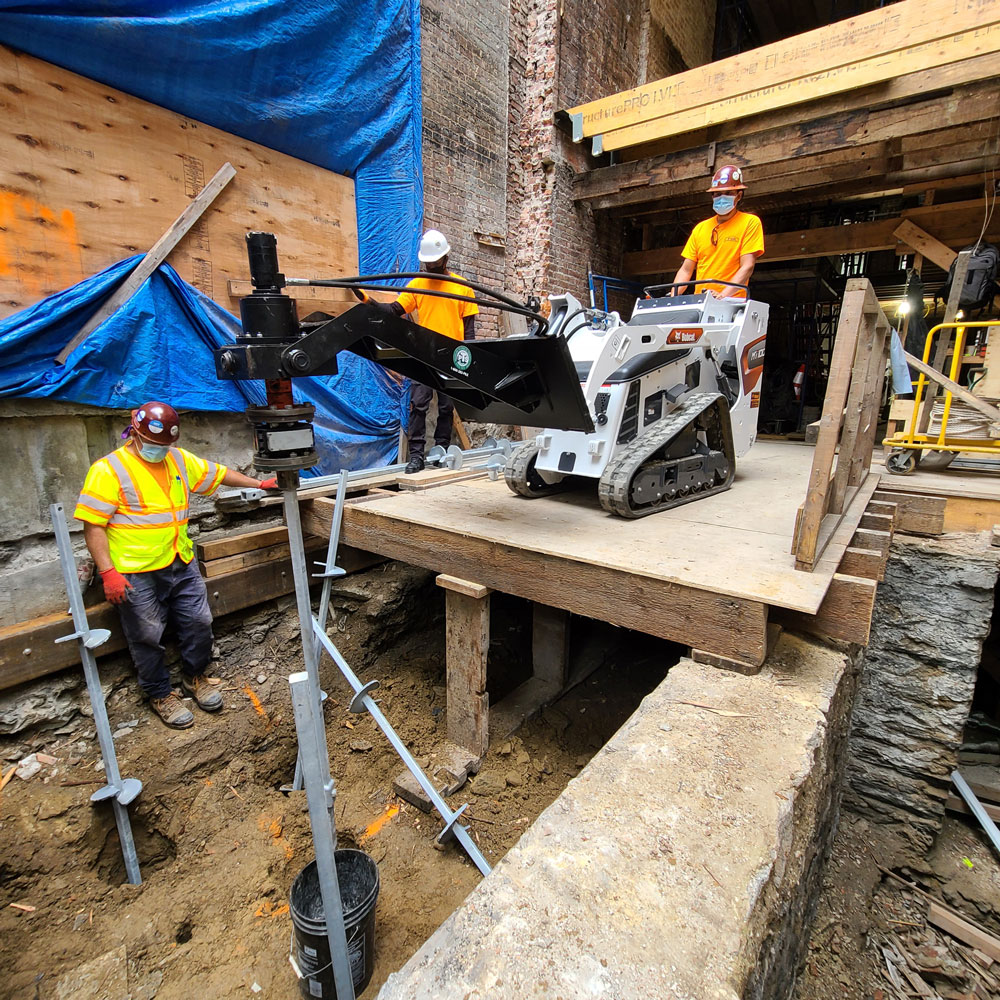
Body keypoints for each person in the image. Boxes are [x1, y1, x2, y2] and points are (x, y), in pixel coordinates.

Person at [74, 402, 275, 729]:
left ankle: (194, 677)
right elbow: (93, 525)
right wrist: (108, 572)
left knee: (198, 621)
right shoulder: (109, 470)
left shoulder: (177, 459)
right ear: (135, 433)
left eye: (165, 446)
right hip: (134, 570)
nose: (160, 451)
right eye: (154, 445)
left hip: (179, 560)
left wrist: (259, 485)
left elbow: (218, 474)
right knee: (146, 634)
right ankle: (159, 694)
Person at [363, 229, 478, 473]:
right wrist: (372, 305)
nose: (431, 268)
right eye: (428, 264)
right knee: (418, 404)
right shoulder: (417, 284)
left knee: (447, 407)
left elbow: (469, 331)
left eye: (434, 263)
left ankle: (442, 451)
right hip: (423, 352)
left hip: (452, 354)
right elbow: (395, 309)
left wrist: (469, 360)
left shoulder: (462, 288)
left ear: (445, 259)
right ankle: (416, 456)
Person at [671, 165, 764, 299]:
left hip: (732, 302)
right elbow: (686, 269)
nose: (722, 197)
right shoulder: (700, 228)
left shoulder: (749, 223)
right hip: (701, 301)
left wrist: (722, 296)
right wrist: (672, 296)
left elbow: (747, 267)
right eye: (717, 194)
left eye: (728, 193)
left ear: (739, 196)